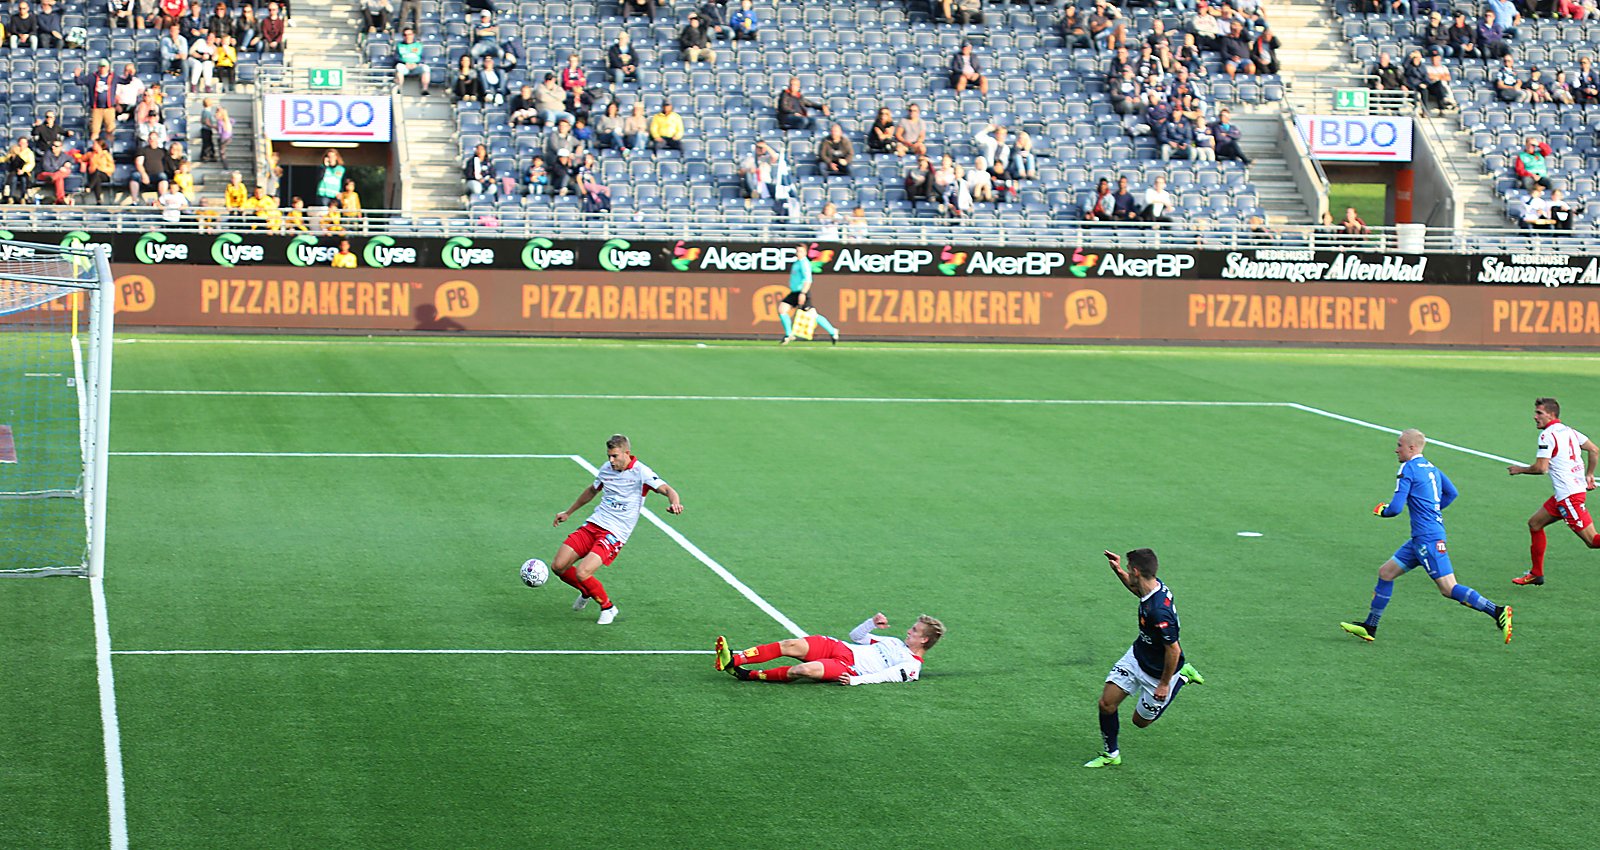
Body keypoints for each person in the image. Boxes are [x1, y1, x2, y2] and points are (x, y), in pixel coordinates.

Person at [1340, 430, 1513, 645]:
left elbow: (1395, 509)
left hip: (1427, 540)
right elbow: (1452, 493)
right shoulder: (1432, 468)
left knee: (1448, 588)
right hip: (1421, 538)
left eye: (1400, 445)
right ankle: (1370, 626)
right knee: (1386, 573)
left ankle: (1497, 611)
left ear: (1412, 448)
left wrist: (1382, 511)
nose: (1396, 449)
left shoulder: (1408, 468)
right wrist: (1432, 510)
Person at [1083, 548, 1205, 769]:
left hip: (1159, 673)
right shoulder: (1152, 586)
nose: (1129, 572)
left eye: (1129, 569)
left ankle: (1182, 677)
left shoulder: (1160, 612)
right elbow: (1136, 589)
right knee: (1106, 704)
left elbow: (1173, 650)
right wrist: (1118, 569)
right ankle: (1111, 754)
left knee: (1140, 722)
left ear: (1137, 571)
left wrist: (1165, 684)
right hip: (1137, 656)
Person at [549, 434, 685, 626]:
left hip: (615, 533)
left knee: (582, 572)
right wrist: (568, 512)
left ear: (626, 453)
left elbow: (668, 490)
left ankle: (608, 607)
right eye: (609, 456)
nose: (611, 461)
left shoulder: (641, 472)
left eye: (615, 456)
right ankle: (587, 591)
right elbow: (591, 491)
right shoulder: (606, 469)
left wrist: (675, 503)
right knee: (558, 566)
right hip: (594, 524)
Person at [1509, 398, 1599, 585]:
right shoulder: (1569, 431)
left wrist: (1520, 469)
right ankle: (1536, 573)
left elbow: (1541, 468)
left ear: (1551, 414)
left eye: (1539, 413)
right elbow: (1594, 450)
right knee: (1535, 524)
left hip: (1569, 497)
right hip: (1565, 495)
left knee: (1592, 541)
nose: (1535, 417)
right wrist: (1589, 474)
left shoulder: (1547, 435)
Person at [713, 612, 944, 685]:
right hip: (839, 647)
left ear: (924, 640)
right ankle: (735, 660)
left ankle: (747, 675)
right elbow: (856, 637)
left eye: (914, 631)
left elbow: (885, 676)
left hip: (848, 667)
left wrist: (855, 681)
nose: (908, 631)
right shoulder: (893, 642)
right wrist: (872, 623)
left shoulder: (912, 667)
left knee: (801, 671)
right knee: (790, 645)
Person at [778, 243, 839, 345]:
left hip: (802, 292)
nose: (798, 253)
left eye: (801, 251)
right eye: (797, 251)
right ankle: (789, 334)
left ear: (805, 253)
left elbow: (808, 280)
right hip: (794, 293)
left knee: (812, 315)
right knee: (782, 309)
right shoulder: (797, 263)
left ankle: (833, 331)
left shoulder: (804, 263)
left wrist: (803, 293)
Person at [393, 26, 430, 95]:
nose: (407, 36)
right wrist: (405, 63)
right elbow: (396, 58)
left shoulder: (418, 45)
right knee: (399, 67)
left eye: (409, 34)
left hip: (416, 66)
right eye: (405, 35)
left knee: (426, 68)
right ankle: (399, 89)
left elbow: (423, 58)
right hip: (405, 67)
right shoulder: (399, 45)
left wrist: (416, 63)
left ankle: (425, 89)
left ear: (413, 35)